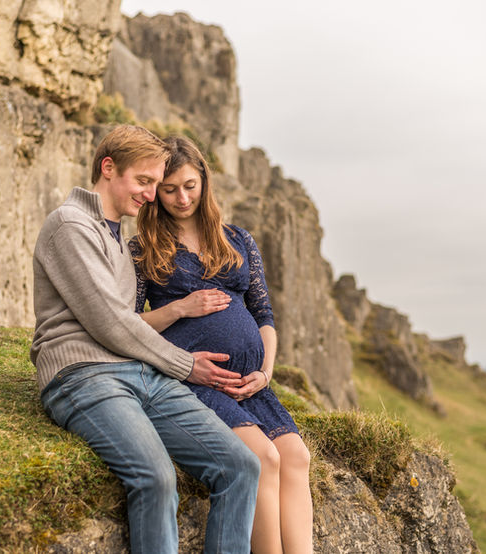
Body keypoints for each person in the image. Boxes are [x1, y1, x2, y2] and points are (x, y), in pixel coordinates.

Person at [30, 125, 261, 554]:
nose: (152, 195)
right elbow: (111, 323)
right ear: (108, 168)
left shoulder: (119, 234)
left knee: (241, 465)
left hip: (138, 372)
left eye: (156, 184)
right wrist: (186, 364)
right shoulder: (70, 225)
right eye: (144, 181)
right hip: (82, 375)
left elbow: (129, 324)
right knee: (156, 477)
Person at [130, 136, 313, 554]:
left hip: (252, 381)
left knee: (296, 457)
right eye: (170, 188)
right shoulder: (143, 248)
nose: (181, 198)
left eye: (190, 186)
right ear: (156, 190)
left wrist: (265, 372)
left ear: (204, 183)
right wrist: (179, 308)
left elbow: (264, 317)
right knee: (265, 459)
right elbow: (128, 323)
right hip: (197, 379)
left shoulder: (239, 240)